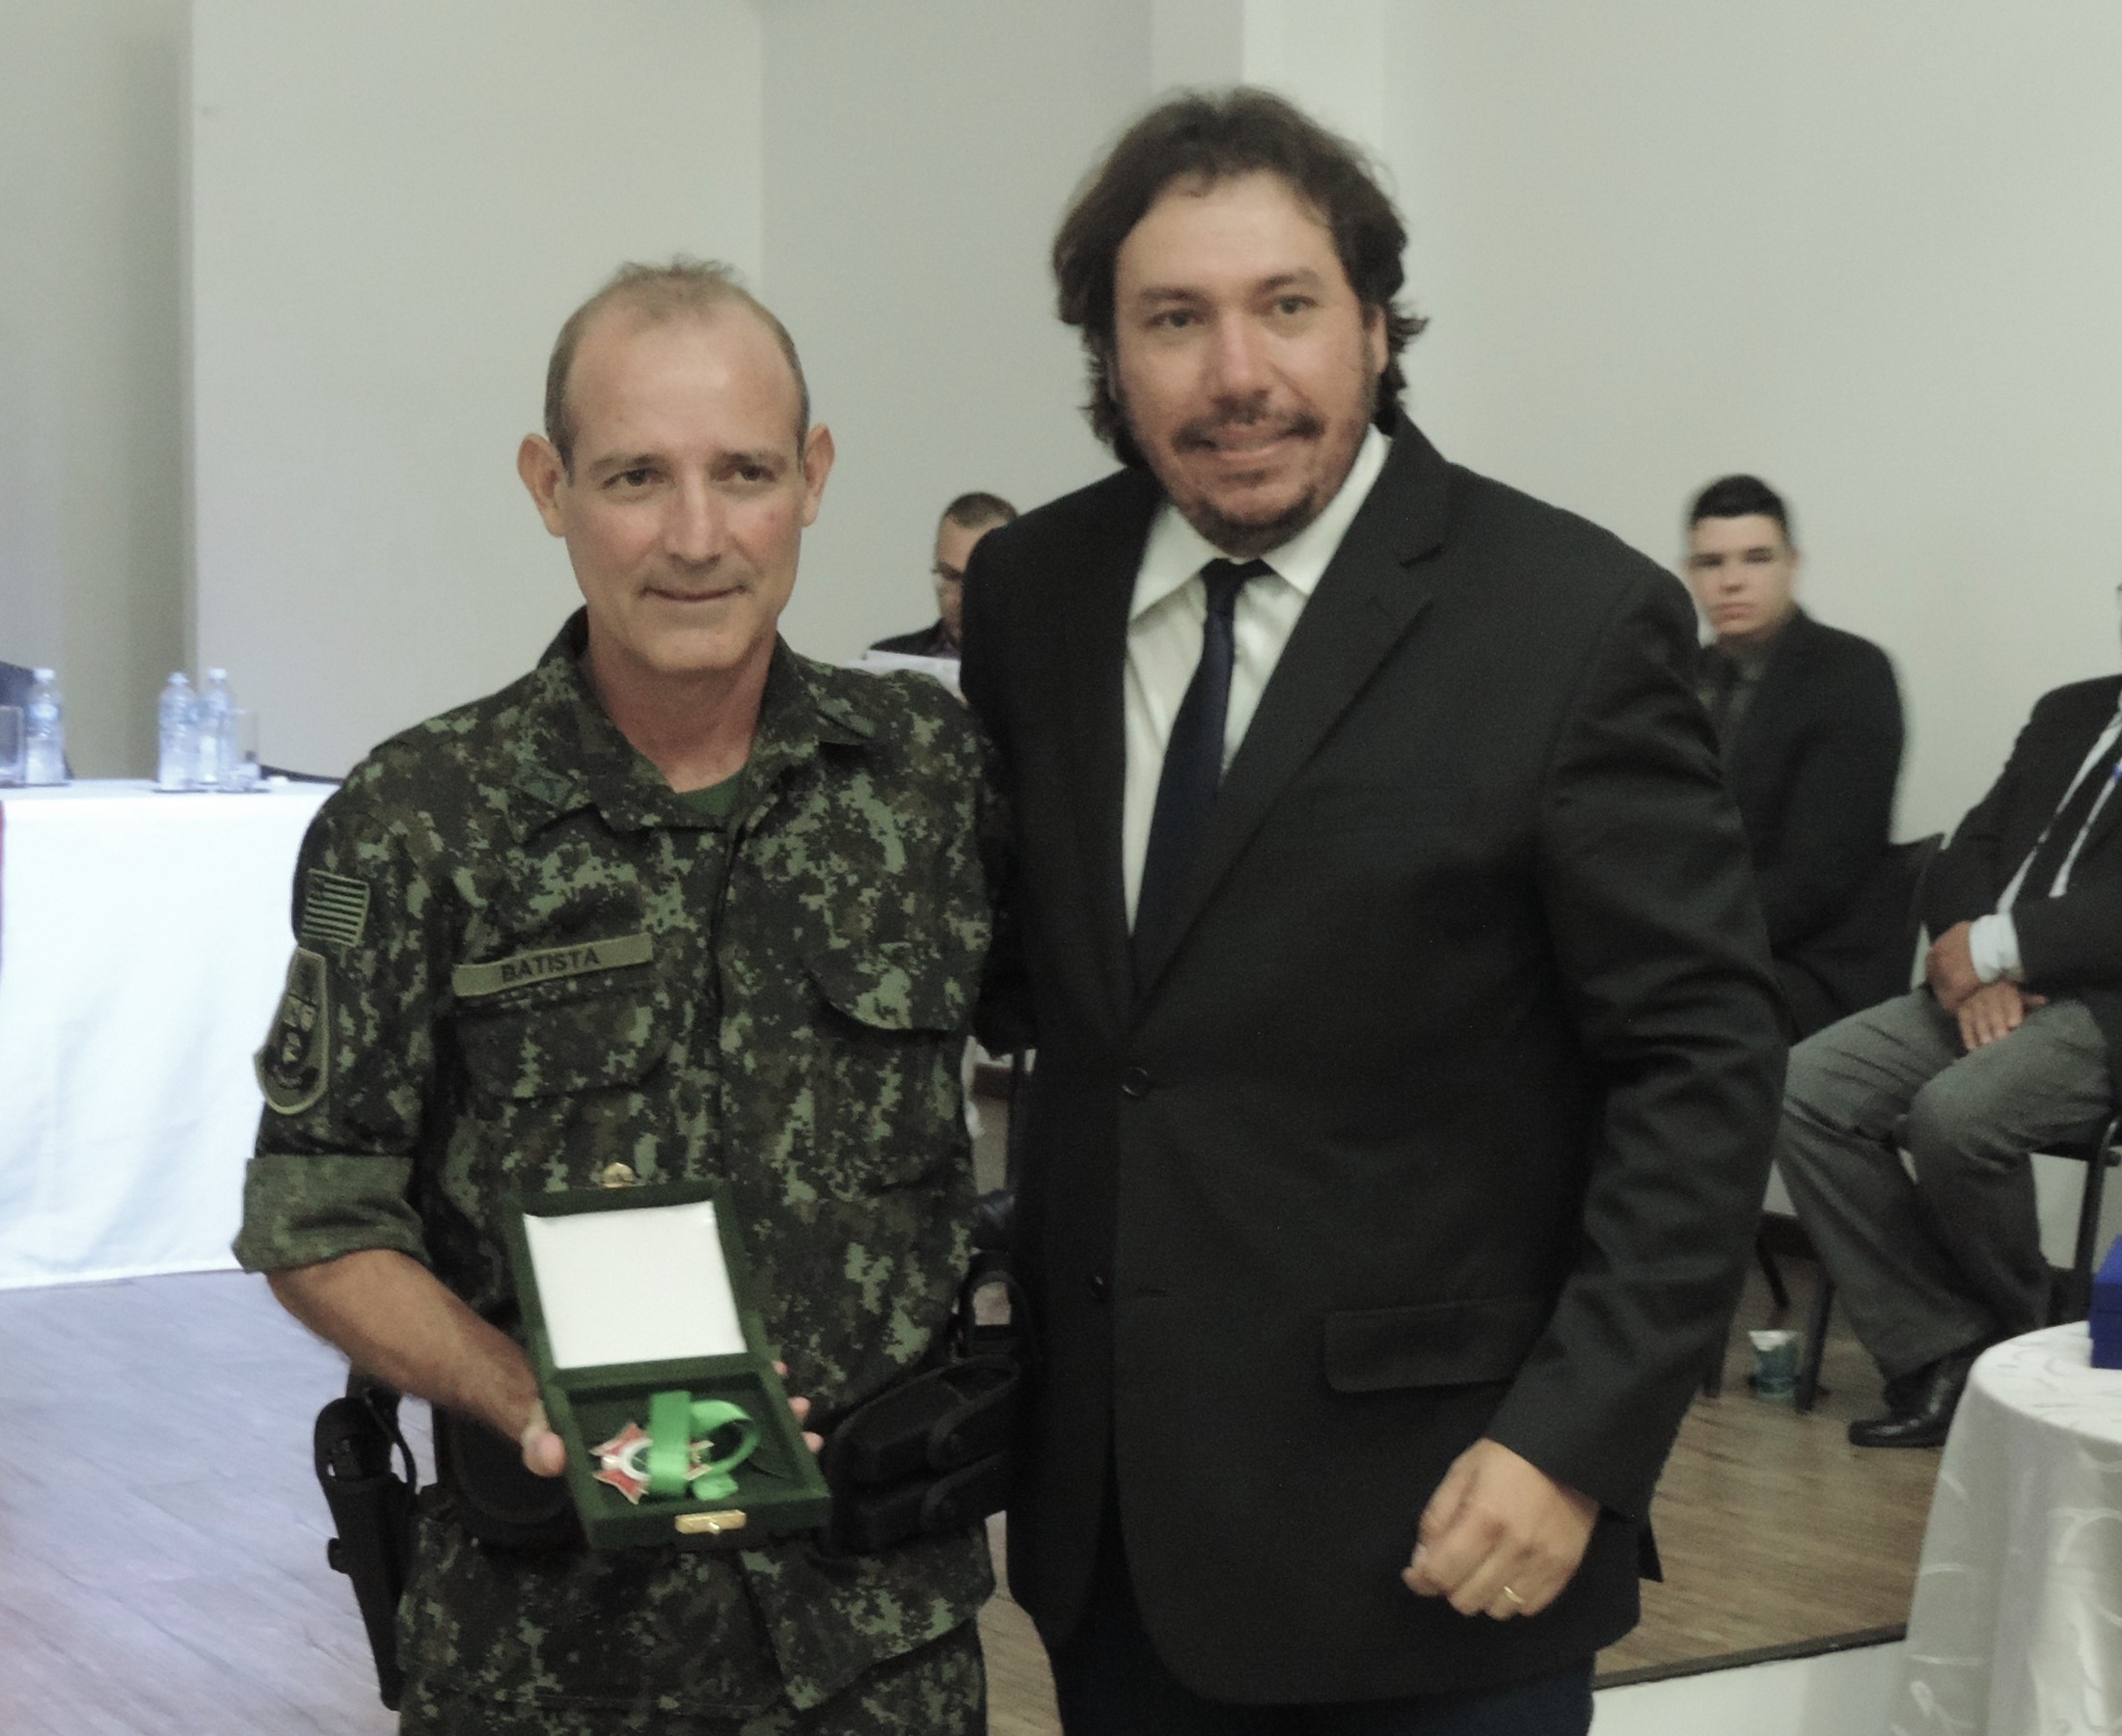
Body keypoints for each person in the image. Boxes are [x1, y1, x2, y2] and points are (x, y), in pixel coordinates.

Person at [960, 89, 1785, 1733]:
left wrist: (1575, 1443)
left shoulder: (1567, 619)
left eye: (1286, 305)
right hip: (1111, 1543)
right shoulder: (1032, 596)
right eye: (1173, 319)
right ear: (1109, 355)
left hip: (1446, 1537)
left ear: (1377, 326)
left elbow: (1699, 1062)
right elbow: (1046, 996)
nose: (1236, 372)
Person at [232, 259, 1000, 1733]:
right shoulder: (419, 822)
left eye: (745, 473)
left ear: (814, 477)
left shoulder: (933, 780)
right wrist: (526, 1396)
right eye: (637, 476)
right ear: (551, 485)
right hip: (547, 1661)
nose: (696, 536)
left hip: (882, 1653)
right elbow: (312, 1213)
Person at [1778, 626, 2122, 1449]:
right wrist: (1971, 963)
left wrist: (1998, 949)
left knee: (1958, 1115)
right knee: (1799, 1090)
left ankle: (2019, 1347)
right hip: (1980, 984)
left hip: (2101, 1006)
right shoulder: (2070, 710)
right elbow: (1973, 846)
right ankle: (1944, 1343)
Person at [1683, 475, 1905, 1037]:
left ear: (1793, 565)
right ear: (1689, 573)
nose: (1732, 581)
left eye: (1756, 558)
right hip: (1690, 943)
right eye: (1711, 563)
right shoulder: (1676, 678)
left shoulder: (1850, 674)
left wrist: (1680, 939)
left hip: (1806, 964)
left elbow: (1820, 874)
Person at [870, 492, 1018, 660]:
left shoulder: (1041, 663)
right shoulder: (885, 661)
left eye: (980, 578)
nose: (962, 599)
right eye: (950, 576)